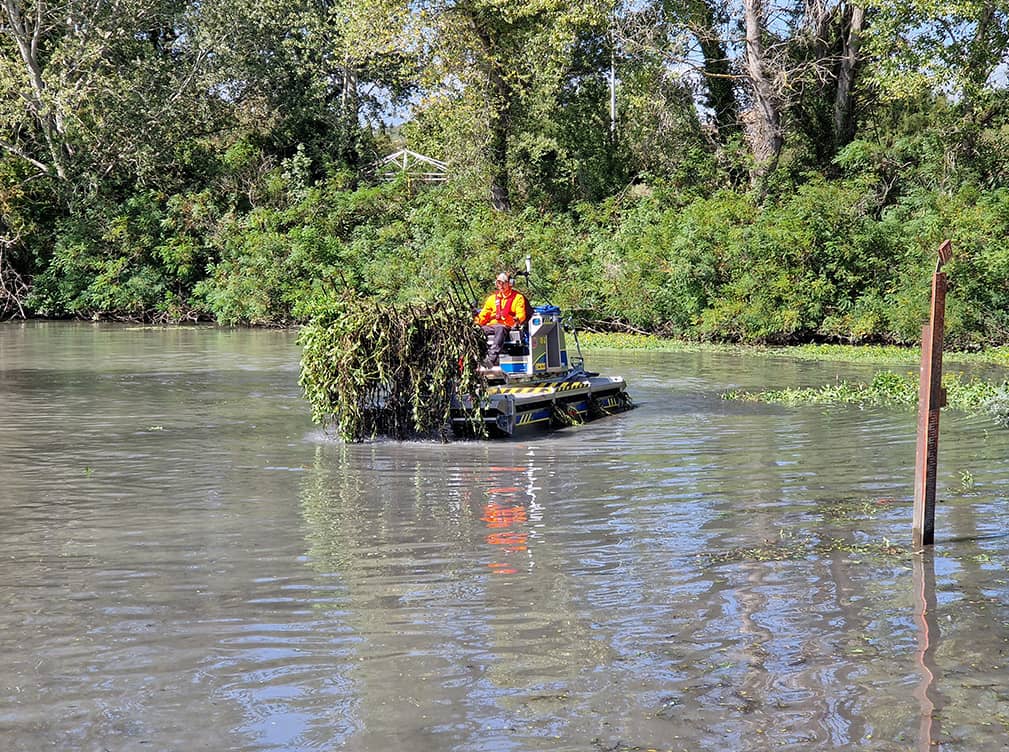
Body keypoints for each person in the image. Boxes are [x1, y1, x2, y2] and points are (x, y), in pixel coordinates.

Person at [474, 272, 528, 367]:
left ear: (510, 283)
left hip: (507, 326)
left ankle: (491, 359)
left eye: (504, 283)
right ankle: (477, 356)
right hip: (492, 326)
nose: (501, 285)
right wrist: (475, 324)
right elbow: (484, 315)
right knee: (477, 330)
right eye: (499, 283)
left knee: (500, 328)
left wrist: (517, 319)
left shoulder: (518, 298)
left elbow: (521, 314)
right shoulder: (492, 299)